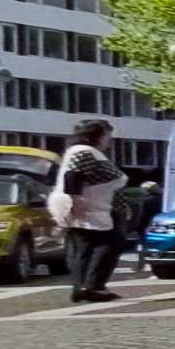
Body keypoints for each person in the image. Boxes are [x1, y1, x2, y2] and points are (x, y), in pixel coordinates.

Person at [48, 119, 129, 302]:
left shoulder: (85, 152)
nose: (109, 139)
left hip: (95, 207)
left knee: (85, 248)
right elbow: (73, 175)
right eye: (108, 134)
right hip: (93, 208)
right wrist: (76, 201)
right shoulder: (83, 152)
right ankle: (93, 286)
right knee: (106, 246)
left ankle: (83, 287)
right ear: (97, 135)